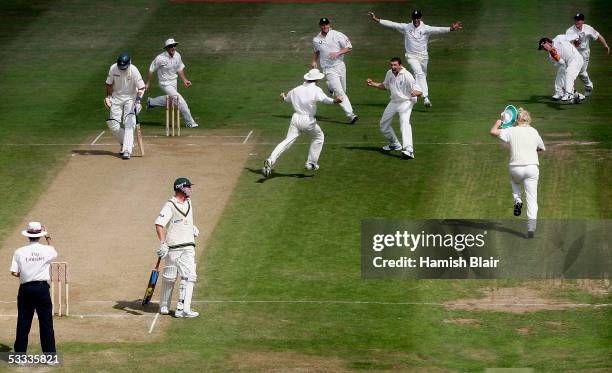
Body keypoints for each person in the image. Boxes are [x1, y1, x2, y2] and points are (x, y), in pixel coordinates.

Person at [367, 9, 462, 108]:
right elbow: (393, 24)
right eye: (414, 18)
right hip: (411, 56)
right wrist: (377, 19)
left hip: (424, 57)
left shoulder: (426, 28)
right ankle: (425, 98)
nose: (416, 20)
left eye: (417, 18)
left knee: (422, 75)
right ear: (412, 18)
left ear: (420, 18)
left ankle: (417, 93)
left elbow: (438, 29)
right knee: (418, 73)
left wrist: (451, 28)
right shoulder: (406, 27)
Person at [262, 69, 342, 178]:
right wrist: (335, 101)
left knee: (287, 141)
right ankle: (311, 163)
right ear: (317, 79)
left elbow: (287, 99)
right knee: (319, 136)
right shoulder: (316, 89)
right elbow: (325, 100)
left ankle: (270, 160)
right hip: (308, 120)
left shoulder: (296, 90)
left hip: (295, 119)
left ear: (307, 78)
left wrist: (283, 97)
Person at [490, 108, 545, 238]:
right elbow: (542, 148)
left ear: (517, 120)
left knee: (514, 181)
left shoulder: (511, 130)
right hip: (532, 168)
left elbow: (493, 131)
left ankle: (517, 200)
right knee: (532, 199)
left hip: (515, 168)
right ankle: (531, 228)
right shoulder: (534, 131)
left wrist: (499, 122)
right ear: (528, 119)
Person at [10, 222, 57, 355]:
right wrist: (48, 237)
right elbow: (54, 251)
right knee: (46, 323)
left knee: (23, 322)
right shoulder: (47, 250)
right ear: (40, 235)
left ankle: (20, 356)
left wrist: (25, 274)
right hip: (42, 289)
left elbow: (14, 272)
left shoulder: (19, 251)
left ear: (28, 235)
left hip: (26, 289)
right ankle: (50, 357)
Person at [155, 177, 200, 318]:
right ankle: (164, 305)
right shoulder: (170, 205)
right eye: (187, 186)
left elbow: (184, 219)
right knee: (169, 277)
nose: (190, 189)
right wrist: (162, 243)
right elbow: (159, 224)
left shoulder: (189, 202)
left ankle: (184, 309)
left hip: (188, 245)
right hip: (173, 247)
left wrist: (191, 227)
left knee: (190, 276)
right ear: (180, 187)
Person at [366, 57, 422, 160]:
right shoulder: (389, 73)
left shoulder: (407, 75)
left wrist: (415, 93)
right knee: (383, 124)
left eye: (395, 65)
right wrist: (373, 84)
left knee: (404, 122)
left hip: (406, 101)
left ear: (400, 65)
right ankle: (395, 144)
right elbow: (385, 86)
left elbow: (419, 91)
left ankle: (409, 150)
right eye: (391, 65)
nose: (393, 67)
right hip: (394, 101)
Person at [311, 17, 358, 124]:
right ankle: (351, 115)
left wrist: (338, 53)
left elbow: (349, 47)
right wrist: (314, 61)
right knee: (340, 92)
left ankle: (329, 86)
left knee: (343, 91)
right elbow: (316, 51)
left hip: (340, 66)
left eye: (326, 24)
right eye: (322, 25)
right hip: (328, 69)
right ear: (320, 26)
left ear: (329, 24)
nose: (324, 26)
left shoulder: (337, 34)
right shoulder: (316, 39)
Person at [145, 38, 199, 128]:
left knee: (174, 101)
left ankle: (151, 102)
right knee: (180, 101)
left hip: (174, 82)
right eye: (171, 46)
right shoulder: (160, 58)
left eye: (174, 46)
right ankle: (190, 122)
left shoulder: (177, 55)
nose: (173, 48)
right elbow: (151, 70)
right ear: (166, 48)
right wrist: (147, 83)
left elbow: (179, 68)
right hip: (165, 84)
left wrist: (185, 80)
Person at [104, 52, 145, 160]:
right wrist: (108, 97)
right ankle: (127, 142)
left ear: (129, 63)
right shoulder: (113, 68)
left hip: (131, 97)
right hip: (116, 96)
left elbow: (141, 88)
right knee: (113, 123)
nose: (122, 69)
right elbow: (108, 84)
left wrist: (138, 101)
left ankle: (127, 150)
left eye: (124, 67)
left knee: (129, 123)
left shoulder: (134, 70)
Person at [566, 12, 610, 97]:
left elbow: (598, 36)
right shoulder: (570, 31)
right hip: (574, 52)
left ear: (583, 21)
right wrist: (575, 44)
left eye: (579, 20)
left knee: (581, 72)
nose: (577, 21)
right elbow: (568, 43)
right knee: (570, 71)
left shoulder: (588, 28)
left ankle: (588, 85)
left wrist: (605, 45)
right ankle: (570, 92)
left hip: (584, 53)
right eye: (576, 20)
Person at [538, 35, 585, 103]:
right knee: (561, 73)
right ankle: (562, 93)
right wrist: (557, 57)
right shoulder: (551, 56)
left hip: (576, 59)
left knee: (568, 74)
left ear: (547, 42)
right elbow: (562, 64)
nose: (543, 49)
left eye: (543, 46)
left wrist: (577, 40)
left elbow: (573, 36)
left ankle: (569, 94)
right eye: (542, 48)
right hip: (567, 64)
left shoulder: (559, 38)